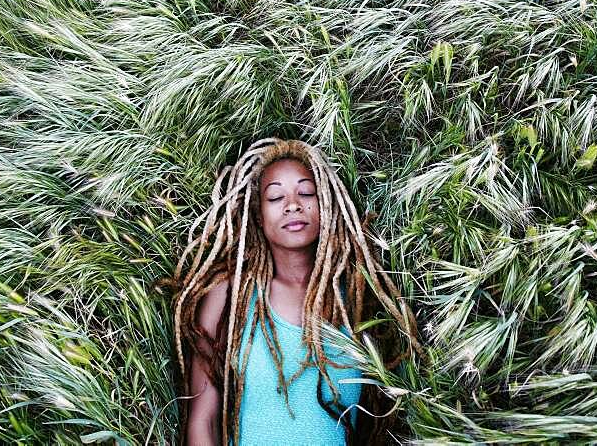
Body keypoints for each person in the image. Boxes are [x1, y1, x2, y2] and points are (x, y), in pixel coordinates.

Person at [167, 137, 424, 445]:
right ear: (259, 218)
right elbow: (202, 420)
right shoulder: (230, 297)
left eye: (306, 193)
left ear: (327, 205)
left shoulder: (358, 299)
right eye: (276, 197)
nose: (292, 205)